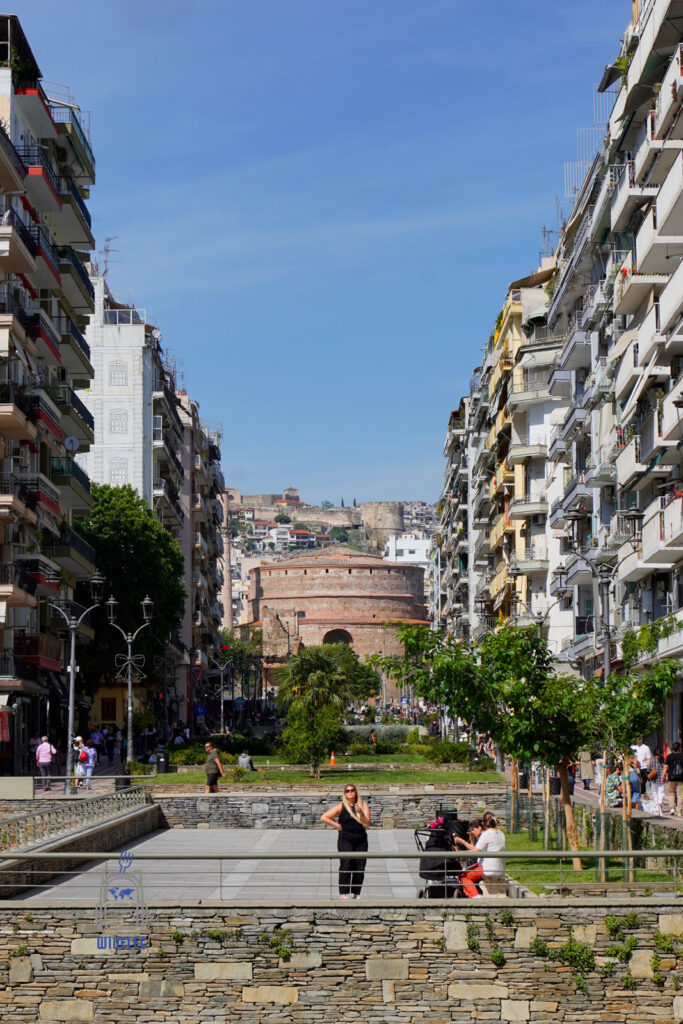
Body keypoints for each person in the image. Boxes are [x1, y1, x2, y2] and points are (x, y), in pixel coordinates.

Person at [321, 784, 371, 899]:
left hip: (360, 839)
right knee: (346, 863)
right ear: (345, 794)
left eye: (352, 790)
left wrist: (361, 813)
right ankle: (343, 893)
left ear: (356, 792)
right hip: (345, 838)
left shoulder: (363, 806)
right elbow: (324, 817)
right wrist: (337, 825)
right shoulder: (342, 806)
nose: (350, 792)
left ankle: (356, 893)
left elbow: (367, 824)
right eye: (347, 791)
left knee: (359, 866)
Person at [452, 810, 506, 898]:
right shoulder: (501, 833)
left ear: (481, 826)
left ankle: (476, 897)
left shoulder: (487, 834)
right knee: (468, 871)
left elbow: (475, 851)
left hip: (488, 867)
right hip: (499, 866)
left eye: (473, 829)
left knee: (464, 876)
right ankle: (475, 893)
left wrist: (459, 852)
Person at [663, 741, 683, 816]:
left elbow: (665, 767)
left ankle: (672, 808)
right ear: (679, 748)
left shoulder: (669, 756)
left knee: (671, 793)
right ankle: (679, 810)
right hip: (681, 778)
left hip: (671, 778)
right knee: (680, 794)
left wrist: (663, 776)